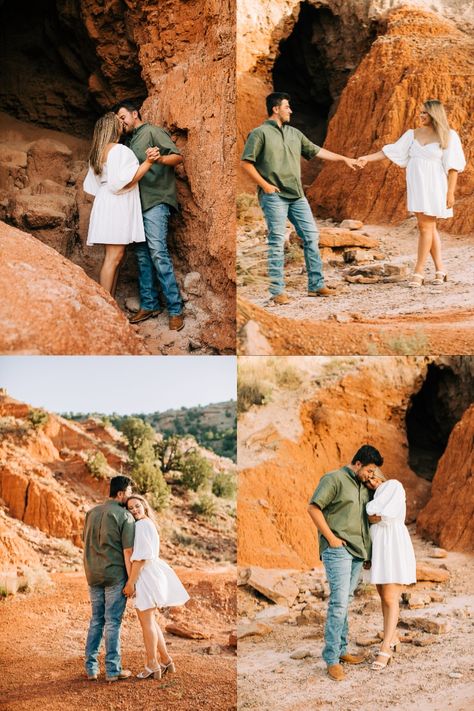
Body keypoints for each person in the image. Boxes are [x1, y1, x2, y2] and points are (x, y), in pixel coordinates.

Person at [241, 92, 362, 305]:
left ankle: (316, 286)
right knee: (277, 241)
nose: (291, 111)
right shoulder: (259, 133)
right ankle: (277, 292)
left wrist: (344, 159)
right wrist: (266, 186)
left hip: (297, 196)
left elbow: (317, 151)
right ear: (276, 109)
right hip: (274, 197)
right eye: (287, 107)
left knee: (311, 237)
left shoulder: (294, 134)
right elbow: (246, 163)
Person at [358, 99, 466, 287]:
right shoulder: (412, 134)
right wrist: (366, 158)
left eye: (424, 113)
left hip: (435, 186)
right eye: (420, 112)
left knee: (425, 227)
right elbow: (390, 151)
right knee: (429, 228)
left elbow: (453, 168)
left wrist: (450, 193)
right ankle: (440, 269)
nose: (421, 116)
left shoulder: (449, 136)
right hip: (418, 185)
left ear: (434, 114)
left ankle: (419, 271)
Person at [307, 444, 384, 681]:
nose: (371, 475)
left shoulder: (365, 486)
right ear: (358, 463)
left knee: (346, 601)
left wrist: (368, 554)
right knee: (339, 603)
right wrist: (331, 539)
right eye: (370, 470)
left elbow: (366, 520)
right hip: (338, 549)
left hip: (358, 553)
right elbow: (313, 507)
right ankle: (331, 659)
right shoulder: (334, 479)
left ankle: (341, 651)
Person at [115, 100, 185, 331]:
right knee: (143, 256)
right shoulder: (127, 140)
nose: (121, 122)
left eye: (123, 117)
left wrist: (159, 159)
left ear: (135, 114)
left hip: (156, 200)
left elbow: (177, 157)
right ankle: (149, 304)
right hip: (136, 205)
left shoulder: (153, 131)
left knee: (157, 252)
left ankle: (175, 310)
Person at [83, 113, 159, 297]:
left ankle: (111, 308)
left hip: (105, 202)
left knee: (115, 258)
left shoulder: (98, 152)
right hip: (116, 204)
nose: (123, 123)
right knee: (113, 258)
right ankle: (105, 311)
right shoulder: (119, 150)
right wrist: (148, 162)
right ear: (112, 127)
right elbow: (123, 183)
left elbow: (92, 186)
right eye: (119, 122)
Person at [123, 495, 189, 679]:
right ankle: (166, 660)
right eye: (130, 508)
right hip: (152, 574)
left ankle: (152, 664)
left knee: (146, 623)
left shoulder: (142, 525)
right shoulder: (148, 523)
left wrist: (130, 583)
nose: (134, 510)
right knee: (150, 621)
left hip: (145, 576)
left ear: (144, 505)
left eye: (137, 506)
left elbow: (141, 558)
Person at [83, 475, 135, 682]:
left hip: (92, 573)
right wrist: (131, 581)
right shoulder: (125, 516)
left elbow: (85, 541)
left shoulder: (91, 513)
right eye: (129, 492)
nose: (130, 497)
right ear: (121, 493)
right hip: (114, 575)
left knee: (96, 620)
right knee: (112, 622)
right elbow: (128, 551)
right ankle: (113, 671)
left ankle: (91, 669)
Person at [365, 468, 416, 671]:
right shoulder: (376, 494)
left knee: (389, 597)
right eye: (367, 482)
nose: (370, 482)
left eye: (372, 477)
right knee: (382, 596)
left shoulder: (393, 485)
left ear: (379, 472)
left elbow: (383, 514)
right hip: (378, 548)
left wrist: (374, 512)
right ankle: (393, 637)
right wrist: (373, 513)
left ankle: (385, 647)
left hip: (393, 546)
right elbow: (372, 514)